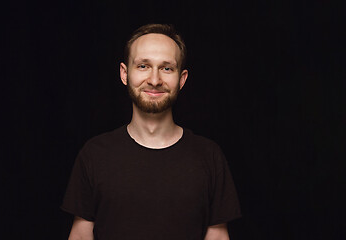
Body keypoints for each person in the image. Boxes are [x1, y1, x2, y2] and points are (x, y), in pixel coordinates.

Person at [62, 23, 241, 240]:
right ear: (124, 74)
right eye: (143, 66)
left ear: (182, 79)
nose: (154, 80)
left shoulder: (209, 156)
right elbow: (80, 236)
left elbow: (218, 237)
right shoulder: (94, 154)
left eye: (166, 68)